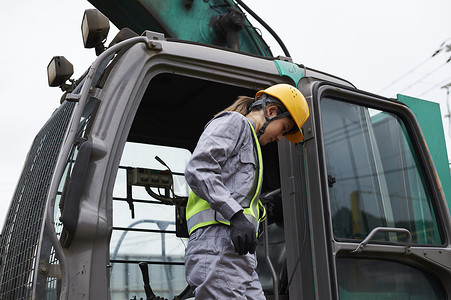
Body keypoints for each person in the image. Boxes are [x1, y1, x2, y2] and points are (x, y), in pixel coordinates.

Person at [184, 83, 310, 299]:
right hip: (218, 245)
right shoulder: (235, 123)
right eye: (284, 128)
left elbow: (240, 197)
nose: (280, 138)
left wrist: (266, 211)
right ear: (271, 112)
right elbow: (199, 169)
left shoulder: (251, 144)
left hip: (238, 253)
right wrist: (235, 215)